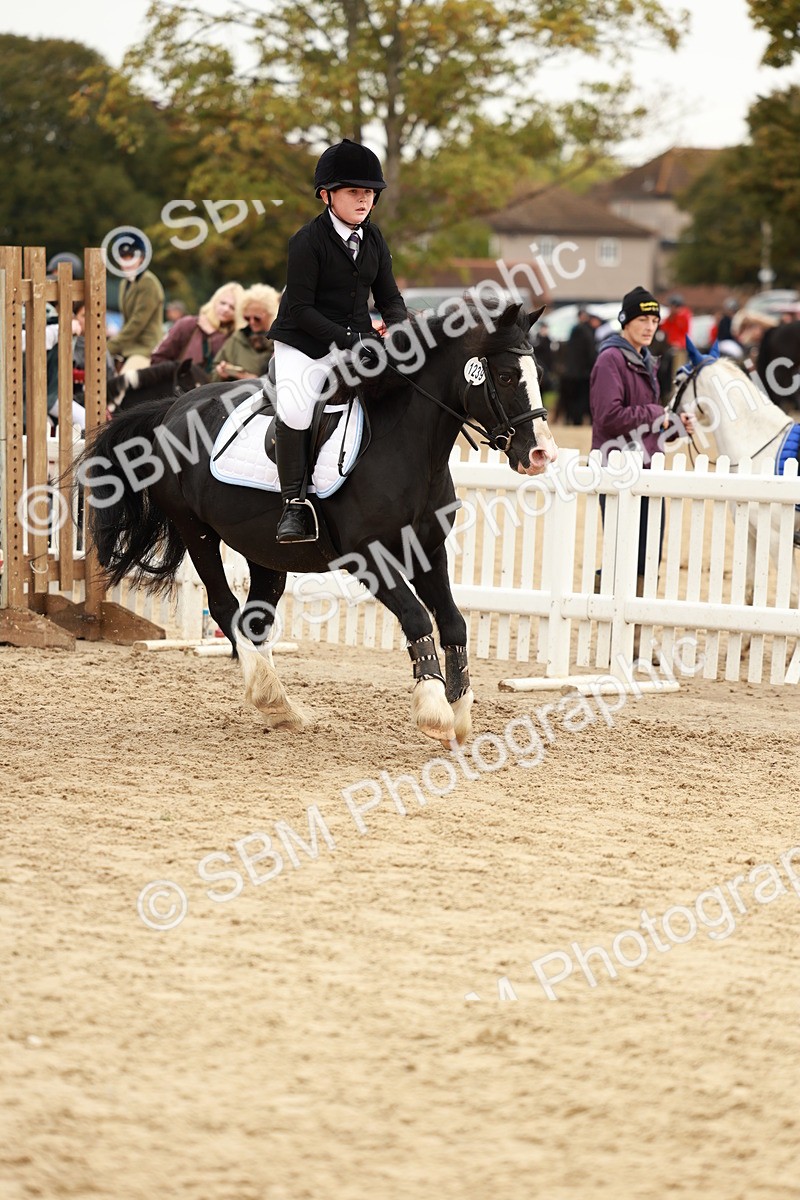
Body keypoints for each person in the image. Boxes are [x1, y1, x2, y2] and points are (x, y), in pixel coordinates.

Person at [267, 138, 408, 542]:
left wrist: (398, 328)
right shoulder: (306, 242)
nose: (363, 200)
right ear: (327, 195)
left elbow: (389, 297)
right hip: (303, 342)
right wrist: (353, 339)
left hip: (357, 339)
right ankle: (293, 506)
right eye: (353, 192)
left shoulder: (374, 239)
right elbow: (300, 310)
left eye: (368, 193)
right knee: (296, 408)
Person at [590, 286, 693, 583]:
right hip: (618, 470)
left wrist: (674, 426)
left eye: (654, 320)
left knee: (646, 561)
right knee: (623, 560)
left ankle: (633, 627)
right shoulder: (610, 359)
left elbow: (648, 421)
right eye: (642, 320)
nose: (650, 327)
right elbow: (608, 417)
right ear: (626, 321)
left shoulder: (645, 358)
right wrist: (656, 413)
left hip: (647, 470)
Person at [151, 282, 244, 376]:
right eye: (223, 303)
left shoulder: (237, 337)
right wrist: (178, 375)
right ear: (215, 301)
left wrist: (213, 334)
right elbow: (158, 358)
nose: (225, 309)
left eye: (232, 307)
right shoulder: (188, 324)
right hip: (181, 386)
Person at [106, 232, 165, 373]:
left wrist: (110, 346)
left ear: (141, 258)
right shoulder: (123, 284)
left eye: (131, 257)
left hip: (145, 349)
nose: (126, 262)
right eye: (123, 257)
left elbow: (137, 322)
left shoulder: (148, 282)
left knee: (124, 383)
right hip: (127, 348)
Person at [212, 284, 280, 381]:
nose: (252, 322)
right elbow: (213, 375)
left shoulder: (279, 343)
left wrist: (248, 378)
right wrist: (221, 373)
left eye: (257, 318)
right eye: (247, 317)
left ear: (270, 315)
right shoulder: (237, 339)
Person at [559, 307, 601, 424]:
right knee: (581, 398)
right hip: (582, 372)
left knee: (574, 398)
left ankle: (573, 419)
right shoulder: (585, 331)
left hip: (574, 371)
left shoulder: (575, 330)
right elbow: (590, 353)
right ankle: (577, 419)